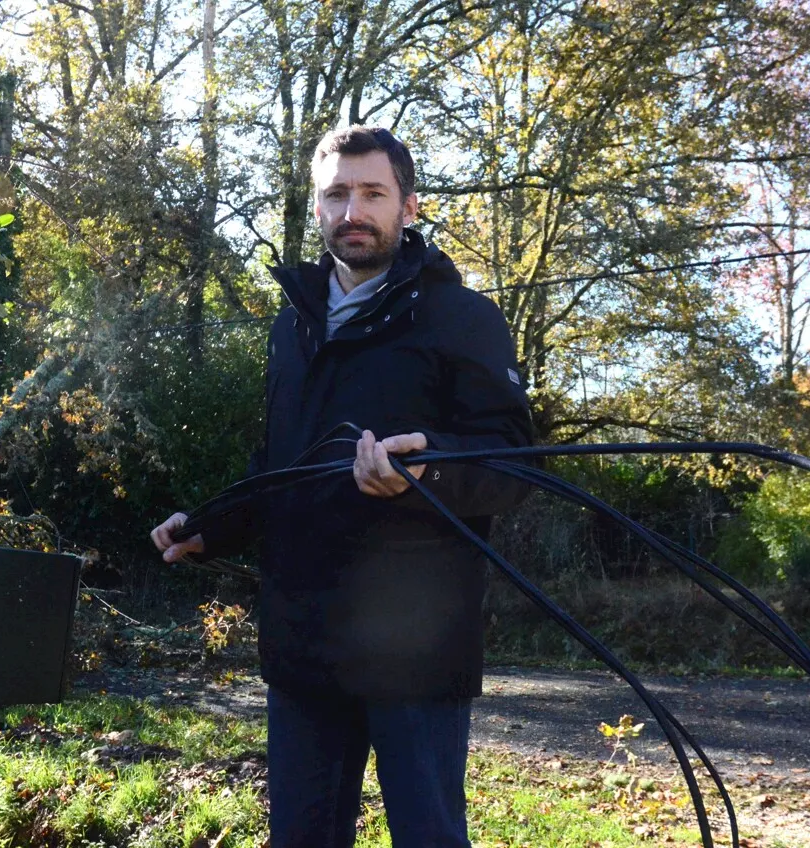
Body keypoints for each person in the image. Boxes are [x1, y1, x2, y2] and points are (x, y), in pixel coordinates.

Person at [151, 125, 532, 848]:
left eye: (372, 193)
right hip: (304, 642)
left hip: (417, 650)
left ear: (409, 207)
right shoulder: (290, 325)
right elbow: (281, 466)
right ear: (318, 207)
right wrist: (215, 526)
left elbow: (515, 465)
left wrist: (432, 470)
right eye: (336, 194)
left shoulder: (464, 319)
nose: (352, 210)